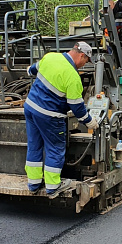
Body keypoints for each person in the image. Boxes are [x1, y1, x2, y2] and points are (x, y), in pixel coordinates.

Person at [24, 42, 99, 198]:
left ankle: (34, 184)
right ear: (82, 55)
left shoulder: (50, 57)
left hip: (30, 108)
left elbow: (31, 70)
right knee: (55, 148)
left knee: (34, 146)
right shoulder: (73, 77)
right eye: (86, 61)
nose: (84, 65)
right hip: (49, 116)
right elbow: (77, 108)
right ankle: (52, 187)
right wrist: (90, 122)